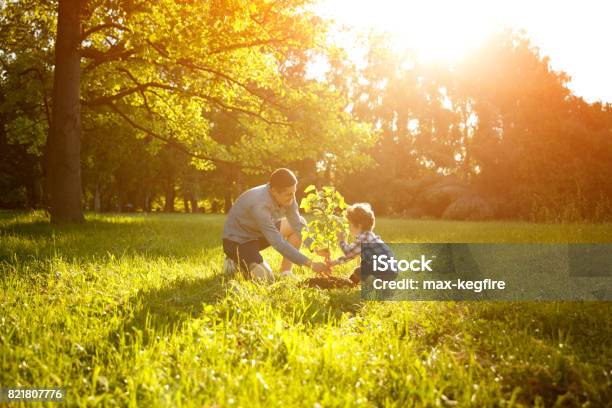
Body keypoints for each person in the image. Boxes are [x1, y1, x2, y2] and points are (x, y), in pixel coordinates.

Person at [222, 168, 329, 281]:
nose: (293, 198)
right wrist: (311, 264)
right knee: (267, 279)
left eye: (294, 192)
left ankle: (286, 272)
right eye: (289, 194)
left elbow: (297, 224)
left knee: (300, 222)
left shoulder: (288, 197)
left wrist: (316, 248)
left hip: (258, 235)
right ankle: (233, 262)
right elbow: (278, 242)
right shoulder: (259, 205)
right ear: (274, 191)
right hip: (238, 242)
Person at [328, 203, 394, 284]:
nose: (349, 228)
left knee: (361, 270)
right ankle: (351, 283)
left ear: (359, 226)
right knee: (360, 270)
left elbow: (348, 252)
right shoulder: (369, 236)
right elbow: (350, 256)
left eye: (350, 225)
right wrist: (334, 263)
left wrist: (341, 240)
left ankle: (377, 283)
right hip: (391, 270)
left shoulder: (364, 238)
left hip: (384, 270)